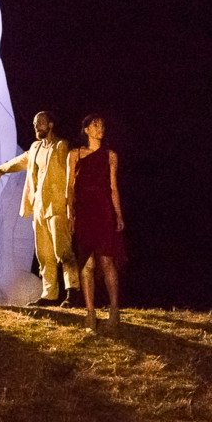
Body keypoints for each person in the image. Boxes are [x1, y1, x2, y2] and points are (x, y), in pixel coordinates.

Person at [0, 111, 82, 307]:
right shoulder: (35, 147)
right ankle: (49, 294)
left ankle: (72, 291)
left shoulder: (61, 145)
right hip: (39, 207)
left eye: (40, 122)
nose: (36, 125)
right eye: (34, 123)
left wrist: (71, 208)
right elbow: (20, 161)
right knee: (44, 254)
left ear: (50, 124)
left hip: (58, 206)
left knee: (64, 251)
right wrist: (1, 168)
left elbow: (72, 174)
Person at [67, 114, 126, 331]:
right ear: (86, 130)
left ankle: (114, 310)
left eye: (102, 124)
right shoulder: (75, 154)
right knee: (87, 262)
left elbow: (113, 188)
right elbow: (69, 187)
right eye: (95, 125)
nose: (100, 128)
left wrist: (118, 215)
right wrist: (70, 214)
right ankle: (90, 312)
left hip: (103, 210)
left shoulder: (110, 156)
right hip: (83, 211)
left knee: (107, 261)